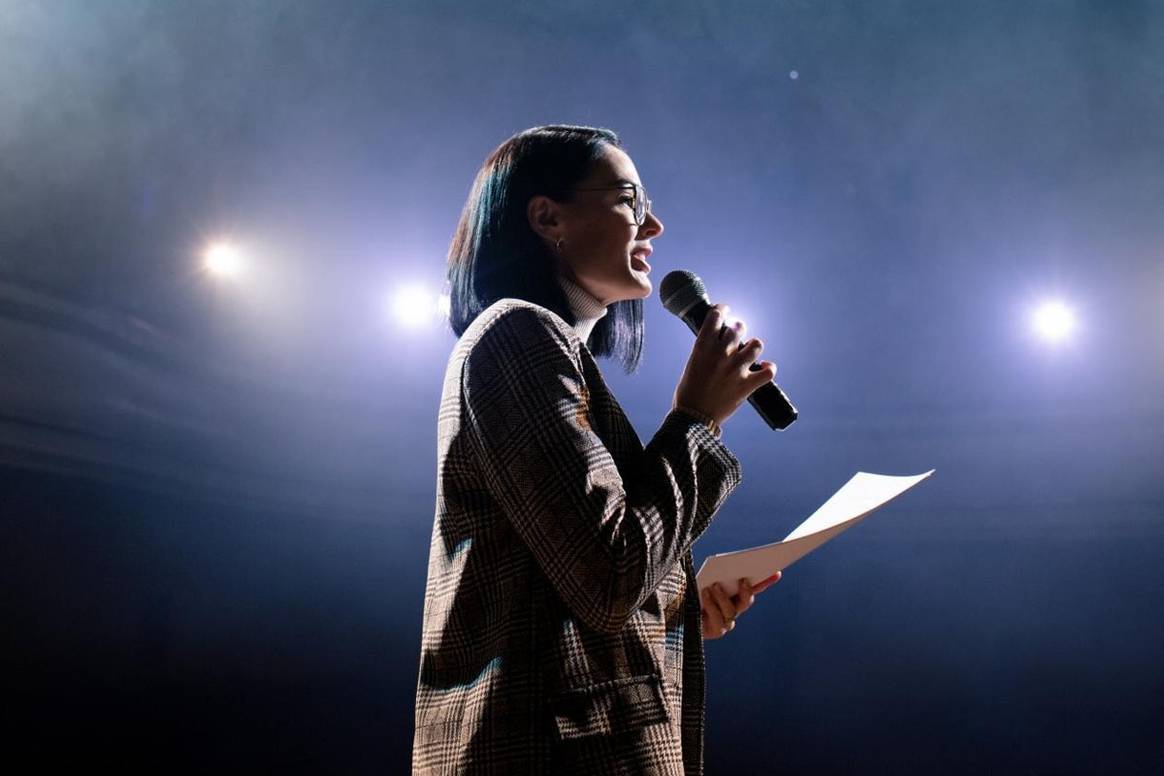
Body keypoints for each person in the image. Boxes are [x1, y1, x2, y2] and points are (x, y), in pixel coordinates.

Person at [412, 125, 781, 775]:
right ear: (548, 217)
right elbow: (608, 574)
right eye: (630, 199)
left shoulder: (545, 350)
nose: (655, 224)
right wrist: (695, 419)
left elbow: (574, 578)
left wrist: (678, 608)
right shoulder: (516, 334)